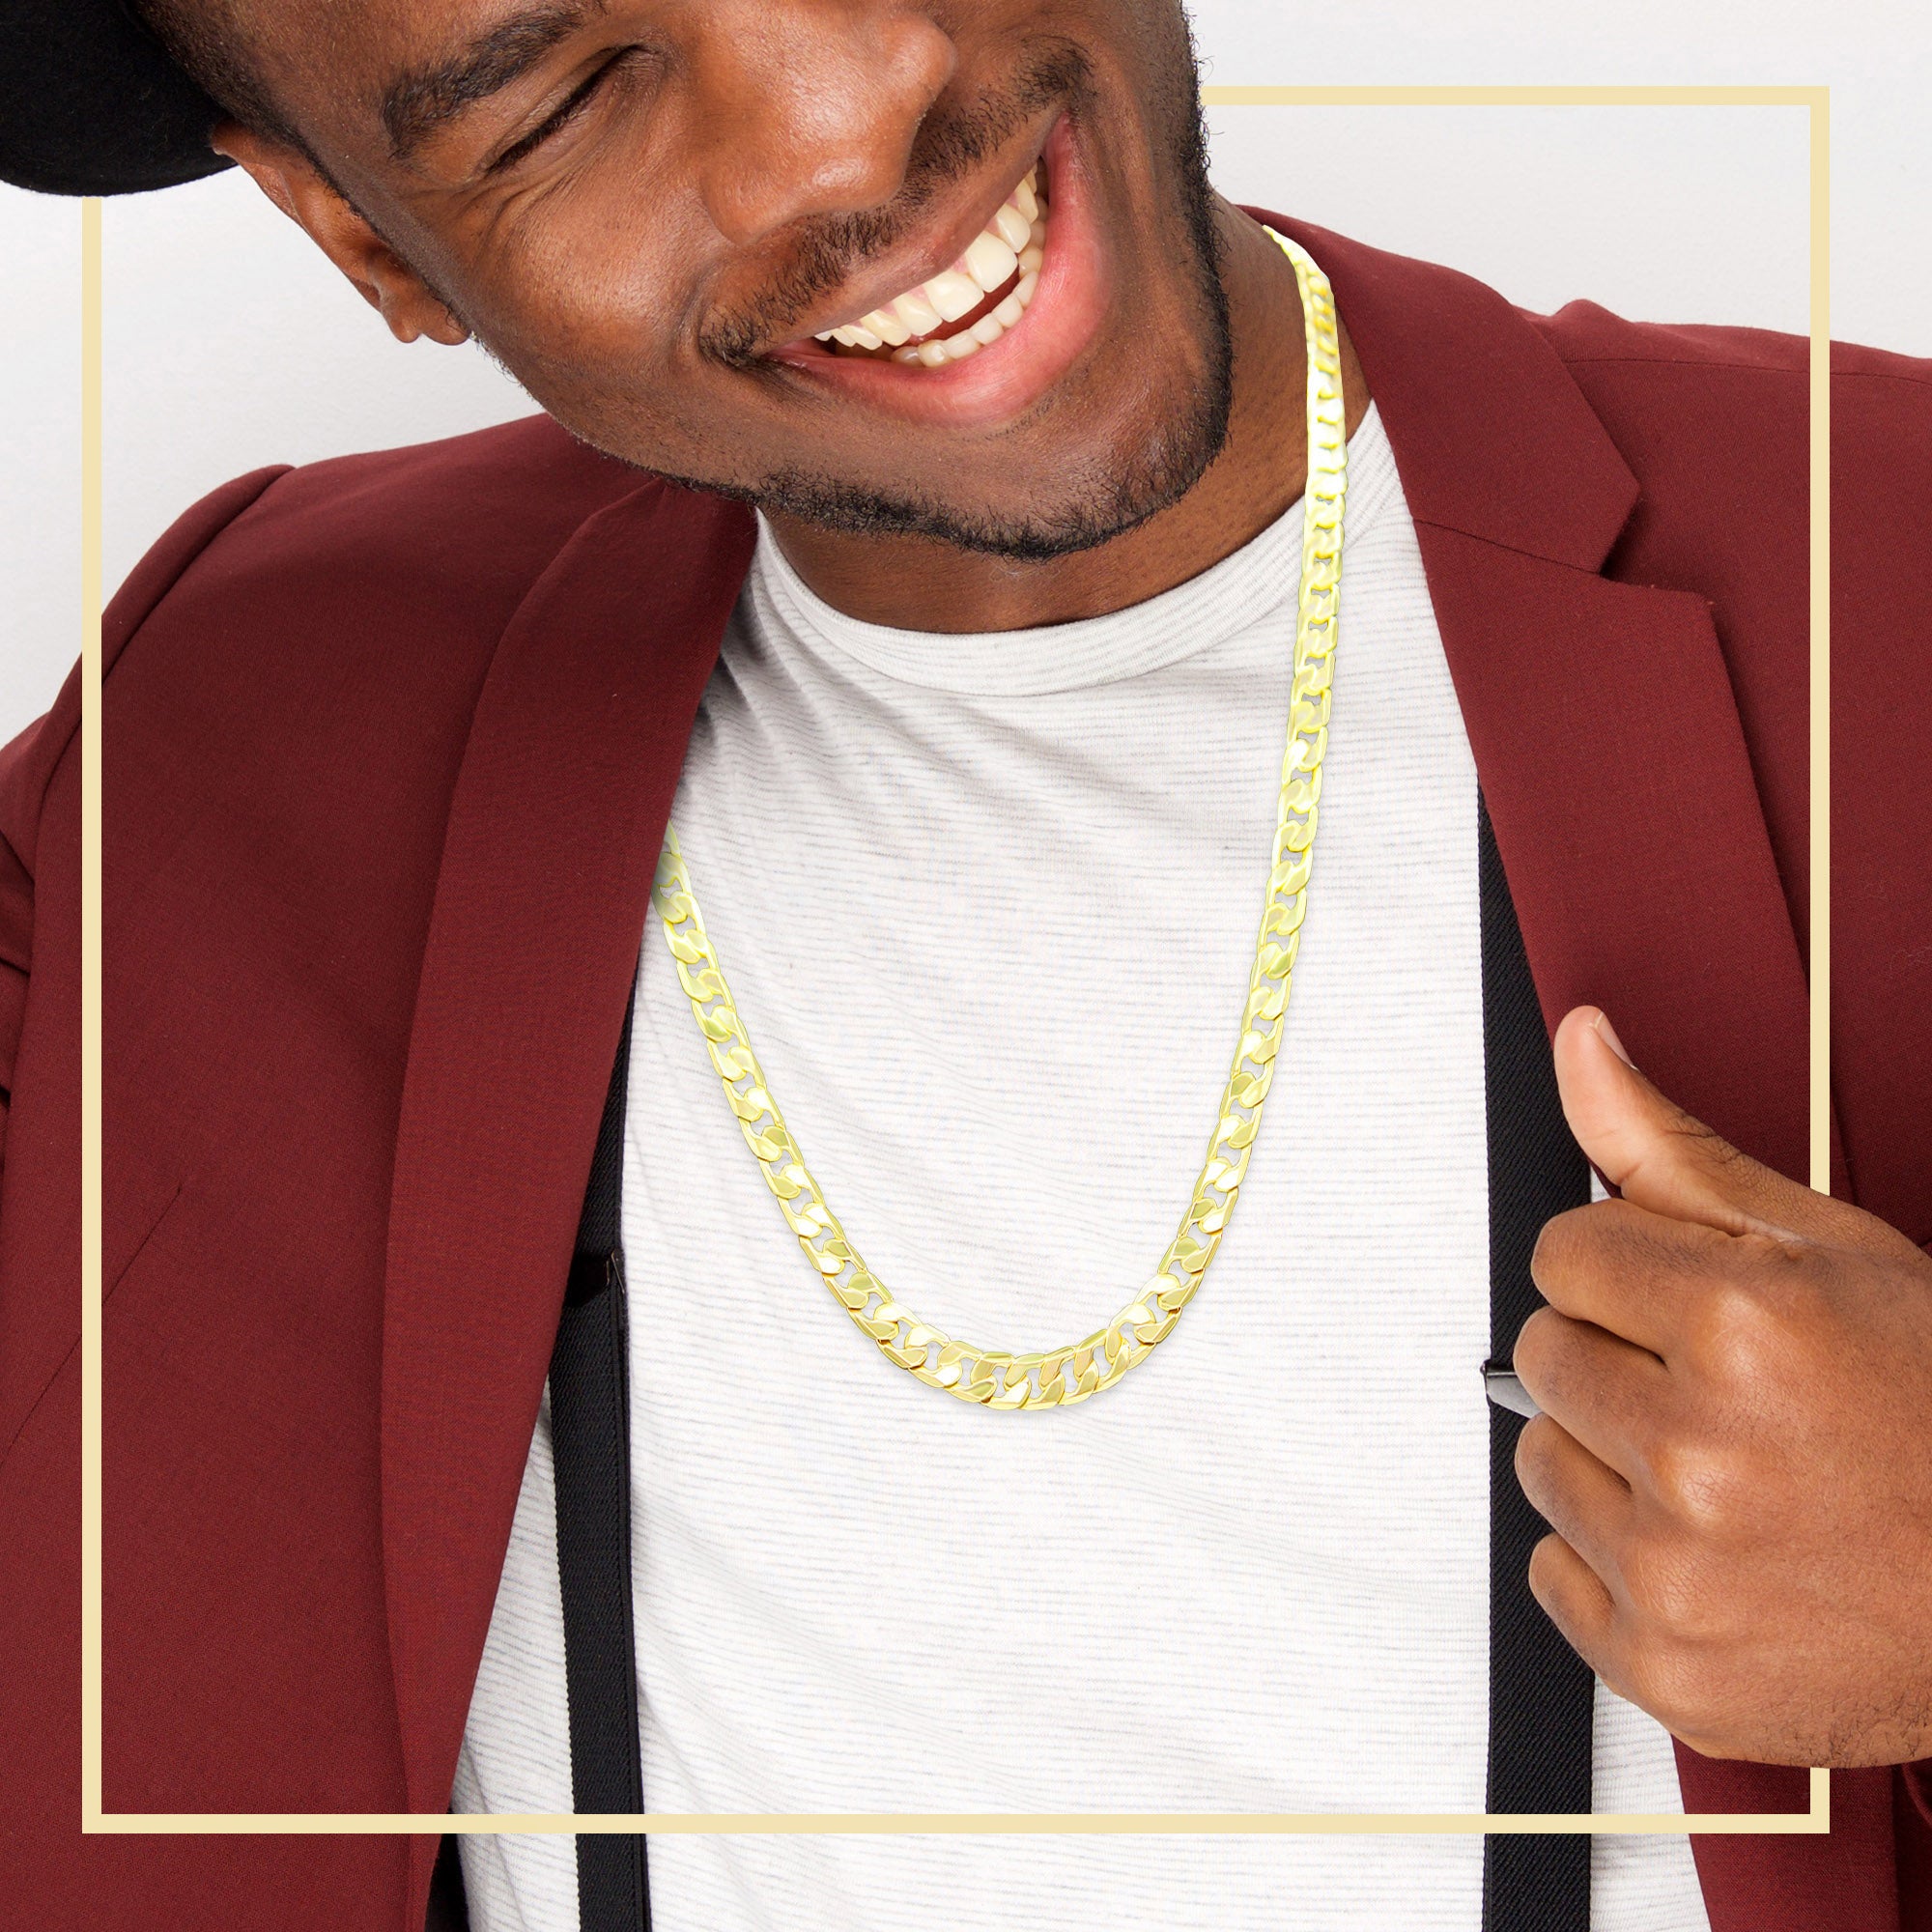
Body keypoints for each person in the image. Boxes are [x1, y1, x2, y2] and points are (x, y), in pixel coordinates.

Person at [1, 2, 1927, 1930]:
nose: (844, 127)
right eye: (567, 101)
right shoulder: (228, 715)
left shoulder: (1884, 559)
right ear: (363, 234)